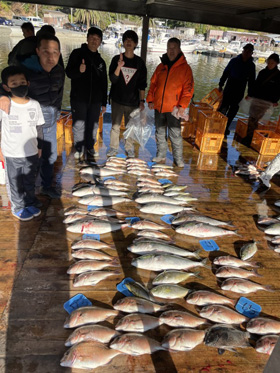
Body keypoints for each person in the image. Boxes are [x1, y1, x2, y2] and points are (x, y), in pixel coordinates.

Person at [0, 34, 65, 199]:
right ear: (37, 51)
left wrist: (57, 110)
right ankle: (21, 194)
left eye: (55, 52)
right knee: (28, 159)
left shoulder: (58, 70)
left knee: (49, 155)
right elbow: (7, 84)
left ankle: (46, 186)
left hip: (50, 120)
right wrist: (2, 96)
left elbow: (59, 92)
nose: (51, 57)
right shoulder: (25, 70)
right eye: (46, 52)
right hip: (29, 123)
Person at [0, 66, 44, 221]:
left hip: (31, 152)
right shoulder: (4, 105)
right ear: (6, 87)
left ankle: (30, 201)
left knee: (30, 180)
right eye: (14, 83)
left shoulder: (35, 105)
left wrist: (40, 147)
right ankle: (17, 207)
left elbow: (39, 128)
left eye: (22, 82)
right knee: (15, 182)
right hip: (11, 153)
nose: (19, 86)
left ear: (28, 83)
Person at [146, 37, 194, 167]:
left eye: (174, 48)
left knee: (175, 135)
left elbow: (188, 90)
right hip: (159, 107)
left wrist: (182, 106)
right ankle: (161, 155)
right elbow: (153, 84)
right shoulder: (160, 67)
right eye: (169, 48)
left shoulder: (186, 69)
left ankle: (178, 159)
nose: (171, 51)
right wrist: (150, 99)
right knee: (160, 133)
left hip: (174, 109)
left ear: (179, 49)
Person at [66, 26, 107, 160]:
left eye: (97, 39)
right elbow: (69, 73)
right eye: (92, 38)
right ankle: (79, 148)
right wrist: (79, 70)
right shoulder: (77, 54)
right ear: (87, 38)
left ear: (100, 41)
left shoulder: (101, 61)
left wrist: (104, 102)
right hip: (79, 98)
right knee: (78, 124)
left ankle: (90, 146)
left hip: (95, 100)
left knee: (93, 124)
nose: (94, 41)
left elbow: (104, 82)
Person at [106, 30, 147, 158]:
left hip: (133, 102)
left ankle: (129, 147)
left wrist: (141, 101)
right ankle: (113, 147)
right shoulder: (115, 59)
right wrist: (119, 66)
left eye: (131, 40)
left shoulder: (139, 63)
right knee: (115, 126)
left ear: (135, 43)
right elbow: (113, 79)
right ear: (123, 42)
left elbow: (142, 84)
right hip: (117, 99)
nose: (128, 42)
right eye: (126, 39)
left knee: (131, 127)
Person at [242, 53, 280, 145]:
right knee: (252, 118)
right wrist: (250, 95)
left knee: (259, 119)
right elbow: (255, 85)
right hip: (257, 99)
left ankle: (254, 138)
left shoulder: (279, 75)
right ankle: (249, 137)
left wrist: (275, 100)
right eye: (269, 62)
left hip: (267, 101)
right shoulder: (262, 72)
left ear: (276, 64)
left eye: (272, 63)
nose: (269, 65)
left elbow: (279, 89)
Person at [218, 43, 256, 135]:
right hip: (229, 86)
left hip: (240, 89)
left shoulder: (251, 65)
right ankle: (219, 126)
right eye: (245, 50)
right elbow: (226, 72)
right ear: (242, 51)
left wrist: (250, 94)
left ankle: (226, 127)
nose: (247, 53)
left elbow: (251, 80)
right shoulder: (234, 61)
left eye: (249, 51)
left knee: (233, 110)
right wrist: (221, 84)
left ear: (252, 53)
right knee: (223, 108)